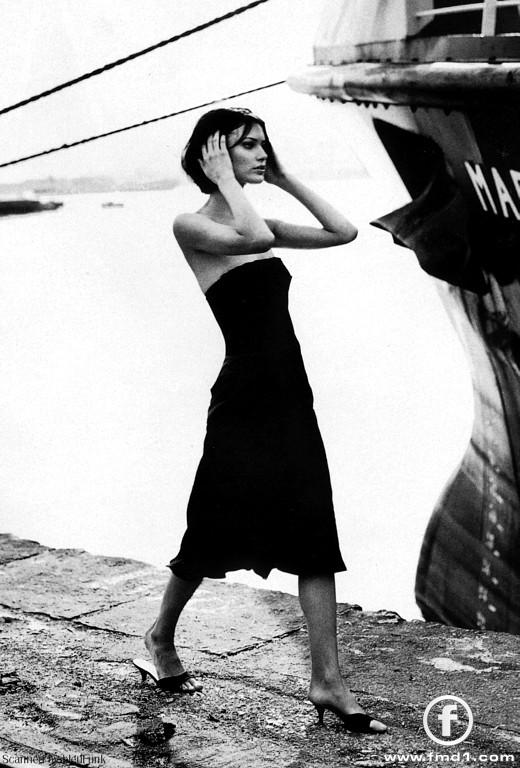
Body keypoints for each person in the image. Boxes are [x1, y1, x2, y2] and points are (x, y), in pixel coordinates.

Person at [133, 108, 387, 735]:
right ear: (213, 155)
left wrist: (286, 176)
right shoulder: (191, 224)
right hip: (243, 398)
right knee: (210, 528)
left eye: (265, 145)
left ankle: (328, 681)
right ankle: (161, 635)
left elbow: (343, 231)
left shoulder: (258, 219)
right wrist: (227, 181)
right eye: (248, 145)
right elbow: (253, 240)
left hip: (290, 396)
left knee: (314, 528)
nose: (261, 153)